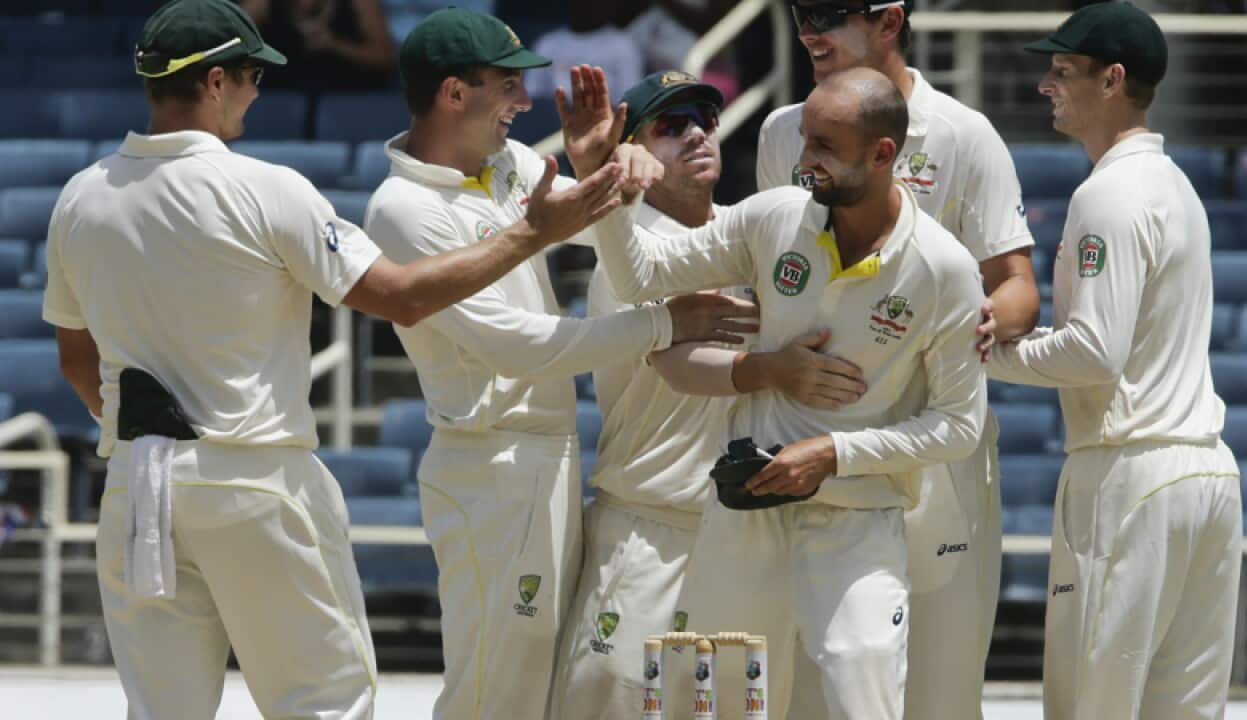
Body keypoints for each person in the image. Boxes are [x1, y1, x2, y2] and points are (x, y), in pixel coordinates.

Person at [43, 1, 630, 717]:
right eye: (254, 76)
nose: (257, 92)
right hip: (254, 475)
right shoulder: (266, 188)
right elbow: (402, 298)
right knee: (325, 704)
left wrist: (153, 444)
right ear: (218, 80)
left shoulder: (79, 198)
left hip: (137, 484)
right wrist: (532, 233)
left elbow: (76, 360)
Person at [360, 10, 759, 720]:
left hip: (549, 454)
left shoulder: (509, 165)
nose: (524, 101)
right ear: (454, 93)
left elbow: (595, 217)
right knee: (494, 689)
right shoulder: (404, 207)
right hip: (489, 462)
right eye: (507, 86)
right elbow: (514, 347)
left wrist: (612, 168)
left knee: (538, 687)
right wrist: (666, 322)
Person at [589, 66, 988, 720]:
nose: (805, 161)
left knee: (861, 705)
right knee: (719, 709)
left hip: (857, 524)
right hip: (746, 513)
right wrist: (608, 185)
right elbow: (639, 278)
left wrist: (832, 453)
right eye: (805, 140)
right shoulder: (774, 216)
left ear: (883, 154)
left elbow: (958, 426)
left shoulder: (944, 270)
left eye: (825, 147)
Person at [548, 69, 866, 720]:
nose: (696, 134)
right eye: (671, 126)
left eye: (705, 121)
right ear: (632, 151)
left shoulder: (750, 233)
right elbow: (675, 362)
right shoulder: (629, 252)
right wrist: (770, 369)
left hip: (748, 533)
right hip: (652, 528)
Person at [754, 3, 1041, 716]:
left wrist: (966, 321)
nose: (808, 30)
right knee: (813, 693)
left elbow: (1018, 287)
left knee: (939, 691)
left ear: (889, 20)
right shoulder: (782, 129)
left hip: (930, 445)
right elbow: (770, 272)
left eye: (828, 13)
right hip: (814, 445)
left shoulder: (963, 133)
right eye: (799, 12)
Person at [992, 3, 1243, 718]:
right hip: (1206, 471)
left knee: (1092, 705)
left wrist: (985, 356)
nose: (1045, 84)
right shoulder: (1176, 186)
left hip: (1130, 475)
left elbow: (1095, 353)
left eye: (1063, 70)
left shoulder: (1107, 193)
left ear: (1113, 81)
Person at [240, 0, 397, 93]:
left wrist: (335, 44)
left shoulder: (360, 4)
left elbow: (386, 57)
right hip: (280, 97)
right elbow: (232, 45)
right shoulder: (262, 3)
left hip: (345, 96)